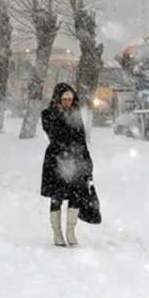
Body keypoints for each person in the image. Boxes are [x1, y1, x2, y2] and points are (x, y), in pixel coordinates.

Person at [41, 83, 94, 247]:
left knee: (76, 195)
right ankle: (57, 233)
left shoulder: (76, 115)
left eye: (70, 99)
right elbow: (54, 135)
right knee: (56, 197)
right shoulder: (48, 114)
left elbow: (82, 139)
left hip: (76, 162)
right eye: (64, 99)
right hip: (57, 161)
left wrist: (87, 161)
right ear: (58, 99)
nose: (68, 102)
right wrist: (62, 116)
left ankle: (70, 231)